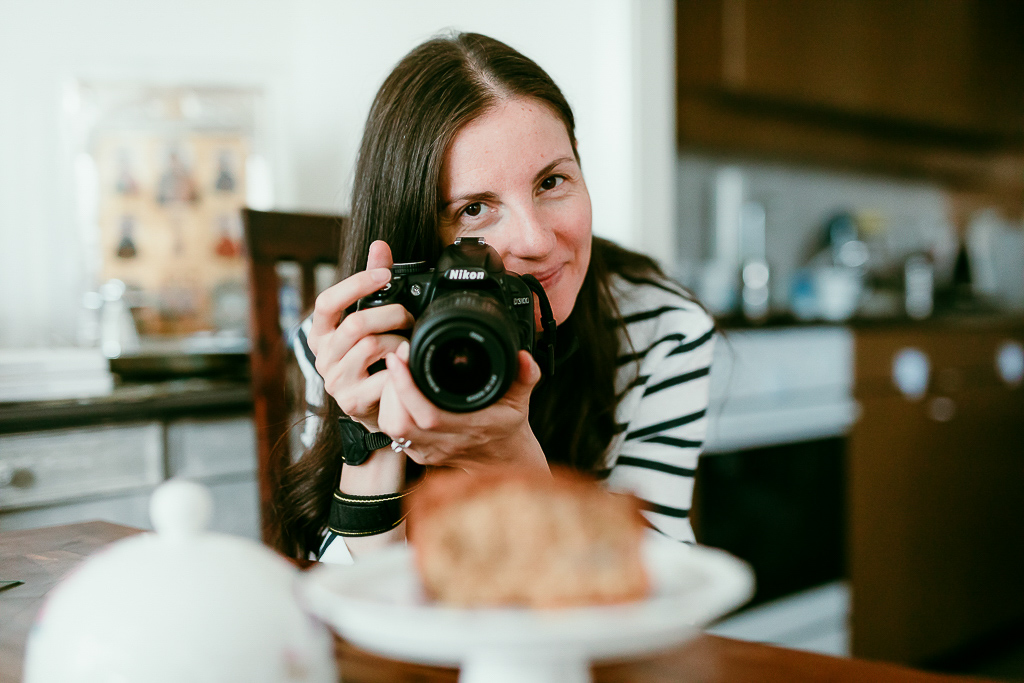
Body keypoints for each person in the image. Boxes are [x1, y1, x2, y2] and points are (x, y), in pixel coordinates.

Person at [276, 32, 715, 564]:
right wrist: (369, 436)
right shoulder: (345, 344)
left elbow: (655, 594)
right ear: (415, 237)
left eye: (552, 181)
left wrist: (511, 461)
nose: (536, 241)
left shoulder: (662, 330)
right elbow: (354, 609)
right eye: (474, 210)